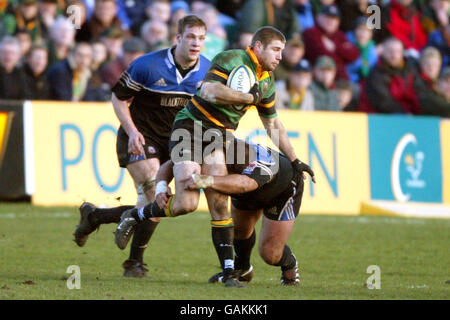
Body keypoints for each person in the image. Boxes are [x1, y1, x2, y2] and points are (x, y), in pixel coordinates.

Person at [114, 26, 316, 286]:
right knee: (186, 203)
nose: (280, 56)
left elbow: (273, 125)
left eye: (282, 51)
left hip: (218, 136)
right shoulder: (231, 59)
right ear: (257, 46)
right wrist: (247, 96)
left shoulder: (266, 82)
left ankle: (230, 273)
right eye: (276, 50)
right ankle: (135, 215)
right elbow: (209, 91)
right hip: (190, 128)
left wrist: (295, 158)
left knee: (219, 205)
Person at [73, 15, 210, 278]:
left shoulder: (207, 71)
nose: (196, 43)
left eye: (201, 38)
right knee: (153, 194)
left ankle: (95, 217)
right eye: (191, 37)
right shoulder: (147, 65)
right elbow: (118, 98)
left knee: (167, 204)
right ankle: (134, 264)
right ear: (178, 38)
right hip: (140, 136)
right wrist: (132, 131)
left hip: (175, 142)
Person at [116, 140, 310, 286]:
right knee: (240, 232)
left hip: (282, 191)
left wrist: (206, 180)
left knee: (270, 254)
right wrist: (160, 186)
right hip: (245, 188)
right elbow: (172, 163)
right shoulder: (216, 151)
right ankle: (240, 268)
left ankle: (289, 264)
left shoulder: (261, 165)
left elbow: (245, 184)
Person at [359, 37, 421, 114]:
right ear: (383, 52)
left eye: (397, 51)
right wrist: (405, 115)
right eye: (390, 51)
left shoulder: (411, 70)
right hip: (384, 118)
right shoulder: (376, 73)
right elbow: (383, 102)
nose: (394, 55)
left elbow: (420, 93)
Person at [302, 4, 360, 81]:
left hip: (341, 79)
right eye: (328, 17)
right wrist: (342, 54)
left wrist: (336, 48)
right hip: (317, 79)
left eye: (335, 19)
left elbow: (354, 54)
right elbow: (322, 55)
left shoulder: (340, 35)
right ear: (319, 17)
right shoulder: (311, 33)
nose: (331, 21)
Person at [0, 35, 28, 100]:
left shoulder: (22, 75)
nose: (8, 57)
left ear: (18, 56)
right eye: (5, 52)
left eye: (12, 53)